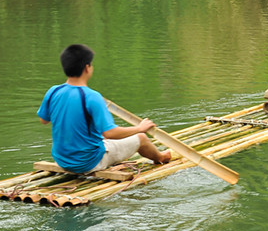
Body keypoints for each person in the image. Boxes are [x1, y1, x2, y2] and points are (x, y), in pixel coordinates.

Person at [37, 44, 171, 173]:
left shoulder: (53, 91)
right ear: (87, 68)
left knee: (100, 137)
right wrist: (140, 128)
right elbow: (110, 133)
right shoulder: (92, 96)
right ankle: (161, 157)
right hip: (89, 162)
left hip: (62, 160)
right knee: (141, 138)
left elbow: (44, 120)